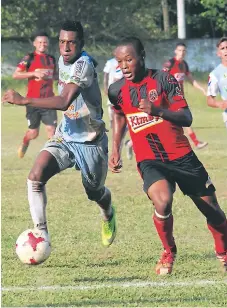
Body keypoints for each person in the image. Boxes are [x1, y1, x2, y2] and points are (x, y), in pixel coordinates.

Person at [108, 37, 227, 275]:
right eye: (120, 61)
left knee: (213, 212)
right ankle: (169, 251)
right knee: (162, 201)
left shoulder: (164, 79)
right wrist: (115, 148)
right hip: (149, 159)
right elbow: (120, 115)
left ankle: (223, 253)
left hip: (182, 156)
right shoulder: (116, 90)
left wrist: (158, 111)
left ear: (142, 55)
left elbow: (186, 117)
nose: (123, 66)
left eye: (128, 59)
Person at [3, 20, 116, 248]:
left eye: (71, 43)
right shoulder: (62, 61)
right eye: (62, 42)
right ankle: (41, 234)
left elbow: (65, 101)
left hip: (91, 142)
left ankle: (108, 213)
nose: (65, 47)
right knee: (35, 176)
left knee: (94, 193)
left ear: (81, 44)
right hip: (65, 136)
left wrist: (25, 99)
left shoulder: (83, 64)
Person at [13, 31, 58, 158]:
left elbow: (55, 76)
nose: (42, 44)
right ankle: (25, 142)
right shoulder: (29, 58)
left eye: (45, 42)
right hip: (32, 101)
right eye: (40, 42)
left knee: (52, 131)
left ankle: (51, 158)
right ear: (34, 44)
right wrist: (34, 73)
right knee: (33, 133)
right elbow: (16, 74)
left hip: (49, 100)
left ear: (48, 44)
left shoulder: (51, 59)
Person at [163, 42, 208, 149]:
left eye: (184, 51)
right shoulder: (170, 63)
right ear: (175, 51)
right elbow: (161, 78)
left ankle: (130, 143)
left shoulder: (184, 65)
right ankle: (196, 143)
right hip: (169, 97)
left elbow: (192, 80)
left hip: (179, 98)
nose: (181, 53)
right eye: (179, 50)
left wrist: (202, 89)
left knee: (180, 120)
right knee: (181, 120)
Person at [103, 57, 134, 159]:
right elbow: (106, 75)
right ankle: (117, 153)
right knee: (117, 127)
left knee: (132, 126)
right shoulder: (111, 62)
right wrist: (105, 89)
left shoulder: (132, 62)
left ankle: (129, 144)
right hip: (114, 99)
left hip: (129, 99)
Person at [207, 37, 227, 130]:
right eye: (222, 48)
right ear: (218, 53)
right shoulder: (215, 74)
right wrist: (220, 104)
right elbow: (210, 100)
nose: (226, 50)